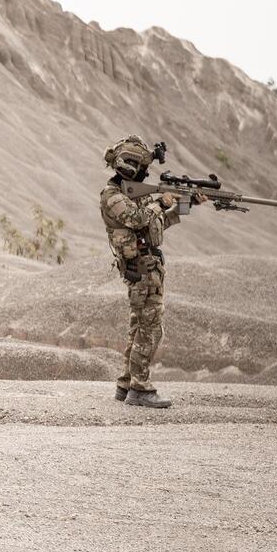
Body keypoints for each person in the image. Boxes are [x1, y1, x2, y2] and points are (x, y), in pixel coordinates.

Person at [99, 135, 203, 408]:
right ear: (131, 167)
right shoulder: (113, 197)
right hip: (141, 271)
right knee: (150, 329)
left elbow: (156, 225)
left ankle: (126, 383)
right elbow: (137, 218)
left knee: (139, 329)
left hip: (149, 269)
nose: (147, 172)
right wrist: (162, 201)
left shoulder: (134, 196)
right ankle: (140, 388)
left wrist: (185, 204)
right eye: (143, 167)